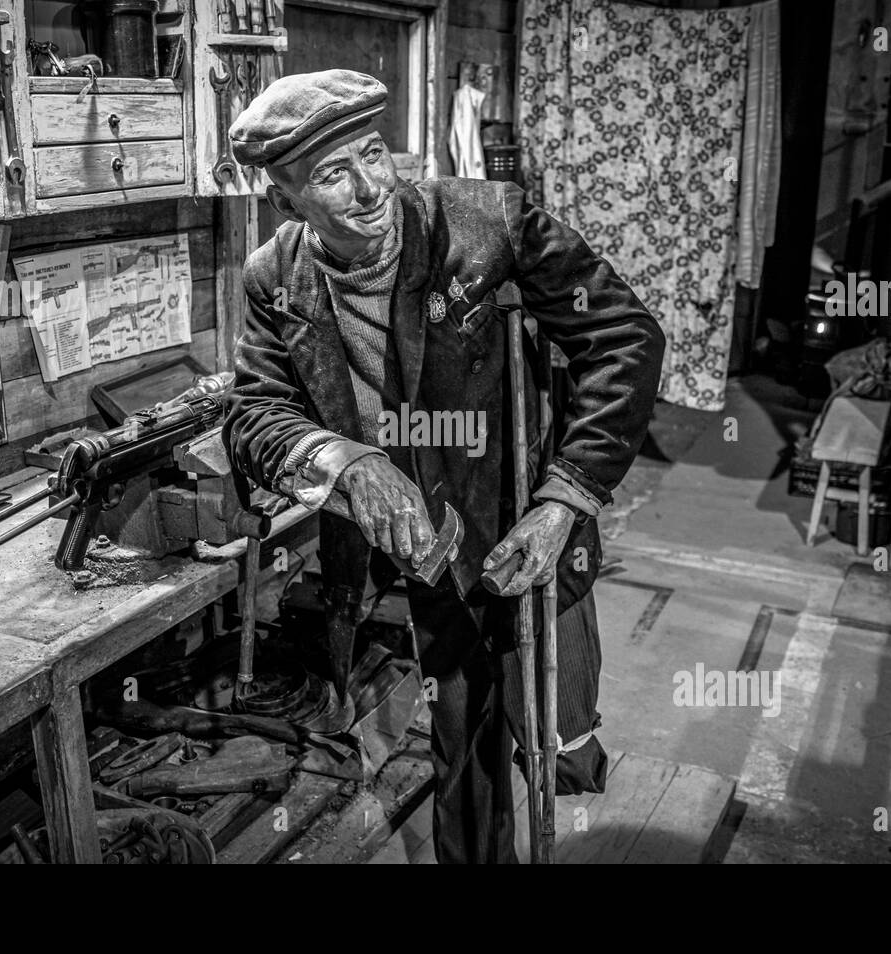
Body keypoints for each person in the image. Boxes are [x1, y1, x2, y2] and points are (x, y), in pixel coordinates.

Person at [222, 69, 665, 863]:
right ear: (286, 201)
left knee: (546, 731)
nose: (370, 188)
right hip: (407, 545)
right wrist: (346, 462)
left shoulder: (485, 222)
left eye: (373, 154)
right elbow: (254, 414)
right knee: (461, 737)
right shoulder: (273, 277)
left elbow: (624, 339)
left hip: (509, 514)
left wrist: (566, 497)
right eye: (332, 174)